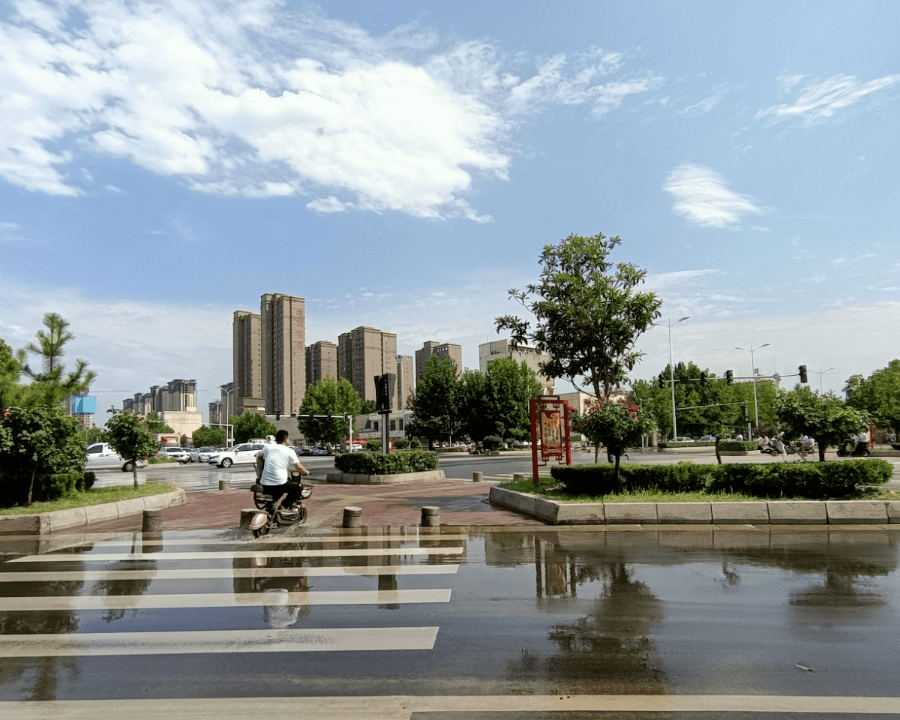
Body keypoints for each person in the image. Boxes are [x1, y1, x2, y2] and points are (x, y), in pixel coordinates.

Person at [256, 429, 309, 509]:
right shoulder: (289, 451)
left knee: (277, 494)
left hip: (265, 483)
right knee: (298, 488)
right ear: (285, 439)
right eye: (289, 438)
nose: (289, 440)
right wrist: (306, 472)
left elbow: (258, 456)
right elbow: (299, 467)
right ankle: (284, 506)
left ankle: (272, 509)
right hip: (280, 483)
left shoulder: (267, 448)